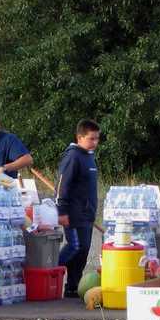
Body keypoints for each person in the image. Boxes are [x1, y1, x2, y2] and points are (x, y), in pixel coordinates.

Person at [55, 119, 101, 298]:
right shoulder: (73, 156)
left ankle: (72, 287)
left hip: (86, 215)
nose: (95, 143)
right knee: (75, 246)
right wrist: (62, 211)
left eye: (97, 139)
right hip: (73, 214)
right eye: (91, 139)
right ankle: (51, 270)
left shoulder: (88, 156)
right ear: (80, 137)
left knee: (83, 251)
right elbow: (62, 185)